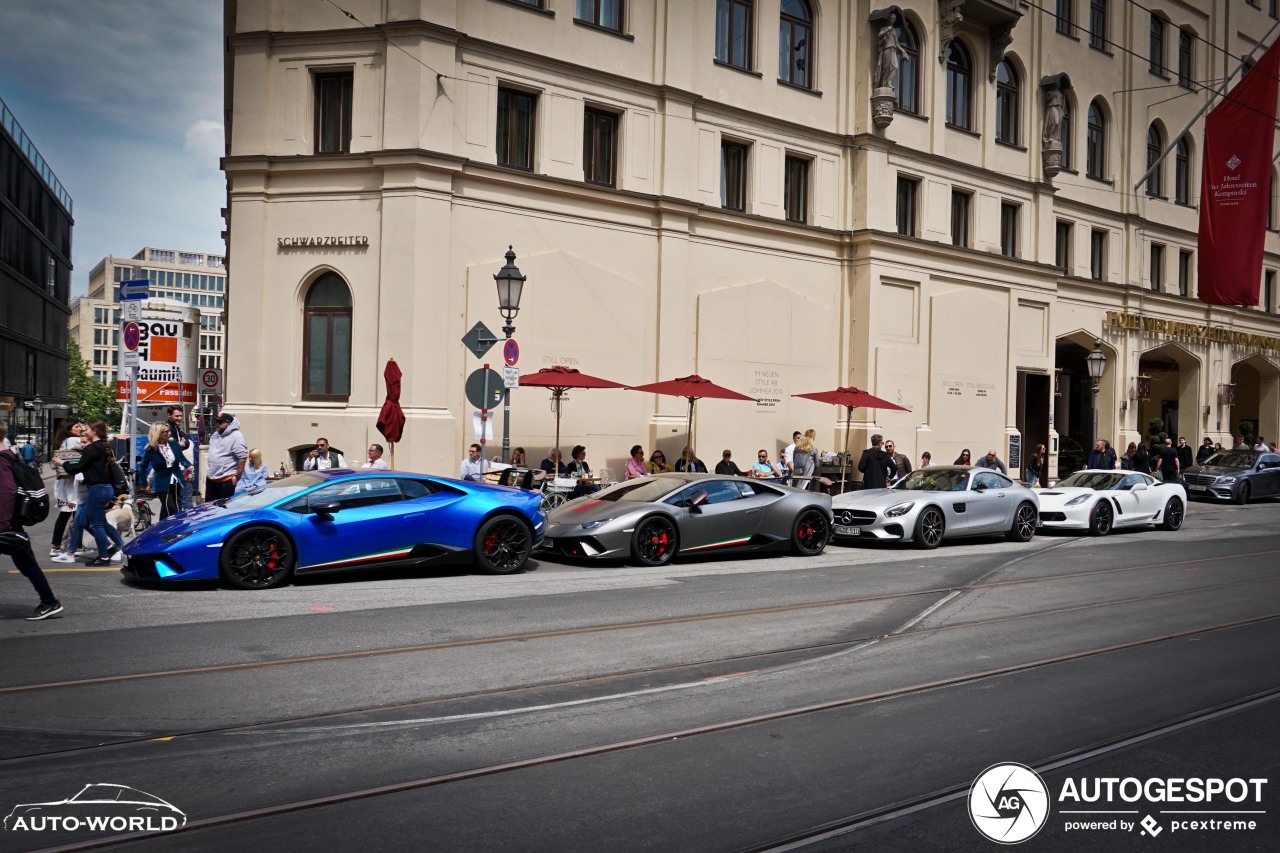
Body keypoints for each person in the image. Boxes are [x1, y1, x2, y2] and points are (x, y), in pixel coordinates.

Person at [1, 423, 62, 620]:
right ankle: (49, 601)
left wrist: (3, 525)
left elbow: (7, 492)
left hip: (5, 523)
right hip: (10, 522)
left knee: (27, 563)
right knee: (27, 563)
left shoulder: (1, 461)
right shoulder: (10, 457)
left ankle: (49, 601)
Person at [51, 420, 126, 566]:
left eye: (87, 429)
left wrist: (62, 463)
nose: (85, 432)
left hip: (98, 489)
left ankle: (104, 556)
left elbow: (76, 468)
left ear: (95, 431)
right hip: (102, 488)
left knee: (96, 524)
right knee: (92, 522)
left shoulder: (92, 449)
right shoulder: (102, 447)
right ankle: (118, 546)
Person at [140, 422, 193, 518]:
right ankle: (173, 530)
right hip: (162, 482)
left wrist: (188, 465)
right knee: (170, 508)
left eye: (169, 431)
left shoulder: (173, 444)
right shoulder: (150, 449)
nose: (169, 433)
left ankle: (162, 529)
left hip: (176, 479)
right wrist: (144, 484)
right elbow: (143, 467)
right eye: (165, 432)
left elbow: (181, 458)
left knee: (174, 507)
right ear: (158, 434)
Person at [48, 419, 83, 557]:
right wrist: (111, 437)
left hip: (64, 482)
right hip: (71, 484)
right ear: (69, 429)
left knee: (65, 515)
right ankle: (76, 545)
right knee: (77, 515)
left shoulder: (62, 442)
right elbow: (92, 441)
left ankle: (57, 546)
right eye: (77, 427)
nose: (80, 429)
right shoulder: (73, 440)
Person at [205, 413, 248, 501]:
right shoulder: (215, 435)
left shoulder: (237, 436)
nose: (217, 424)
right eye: (216, 421)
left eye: (220, 422)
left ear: (228, 423)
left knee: (223, 508)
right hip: (211, 479)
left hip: (225, 480)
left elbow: (242, 458)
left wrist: (237, 476)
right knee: (209, 509)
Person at [166, 406, 195, 510]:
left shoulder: (177, 428)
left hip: (180, 468)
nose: (179, 418)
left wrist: (183, 444)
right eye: (176, 416)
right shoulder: (167, 428)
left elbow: (183, 445)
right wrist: (179, 445)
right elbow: (167, 450)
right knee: (175, 502)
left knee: (180, 500)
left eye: (181, 416)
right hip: (172, 472)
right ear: (169, 415)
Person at [874, 12, 908, 90]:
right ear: (888, 19)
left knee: (895, 67)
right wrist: (887, 30)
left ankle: (888, 83)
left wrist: (903, 51)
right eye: (891, 18)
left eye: (894, 19)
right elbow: (879, 35)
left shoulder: (894, 31)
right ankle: (883, 84)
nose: (892, 20)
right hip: (886, 49)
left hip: (893, 50)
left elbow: (897, 43)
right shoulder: (884, 28)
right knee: (885, 68)